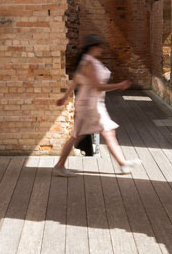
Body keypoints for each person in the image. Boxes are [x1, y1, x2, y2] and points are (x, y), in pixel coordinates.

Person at [53, 34, 140, 177]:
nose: (101, 49)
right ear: (93, 47)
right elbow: (97, 86)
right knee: (78, 135)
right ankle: (59, 165)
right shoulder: (89, 63)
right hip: (90, 105)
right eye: (99, 46)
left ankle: (123, 164)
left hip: (92, 103)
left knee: (106, 132)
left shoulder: (87, 61)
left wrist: (64, 97)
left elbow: (75, 81)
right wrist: (119, 85)